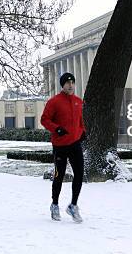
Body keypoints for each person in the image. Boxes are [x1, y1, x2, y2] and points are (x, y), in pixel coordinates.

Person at [40, 72, 86, 223]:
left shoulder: (79, 101)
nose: (70, 85)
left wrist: (83, 132)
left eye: (72, 82)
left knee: (79, 174)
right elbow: (44, 119)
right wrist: (56, 129)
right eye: (67, 82)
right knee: (59, 176)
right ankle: (54, 204)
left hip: (75, 144)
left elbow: (80, 121)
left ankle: (73, 205)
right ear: (62, 85)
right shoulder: (54, 102)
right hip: (60, 145)